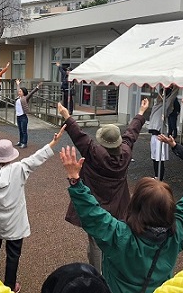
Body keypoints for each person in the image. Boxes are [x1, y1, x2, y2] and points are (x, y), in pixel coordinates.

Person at [59, 140, 183, 293]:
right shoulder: (177, 232)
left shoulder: (119, 236)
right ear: (170, 209)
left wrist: (75, 179)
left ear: (135, 205)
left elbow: (92, 214)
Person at [58, 98, 149, 273]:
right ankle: (113, 265)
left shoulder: (94, 153)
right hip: (118, 204)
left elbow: (79, 135)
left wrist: (65, 115)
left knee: (96, 241)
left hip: (95, 203)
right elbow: (131, 134)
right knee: (114, 235)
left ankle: (98, 275)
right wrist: (141, 112)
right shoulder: (126, 152)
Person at [0, 125, 66, 292]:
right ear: (11, 156)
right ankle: (9, 286)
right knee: (13, 254)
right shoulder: (19, 169)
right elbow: (37, 158)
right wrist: (53, 143)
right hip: (14, 222)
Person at [147, 85, 179, 180]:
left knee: (159, 159)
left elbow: (171, 98)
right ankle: (156, 176)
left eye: (160, 94)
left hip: (160, 136)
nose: (158, 96)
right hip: (153, 135)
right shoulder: (157, 105)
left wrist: (176, 88)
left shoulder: (166, 107)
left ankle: (159, 178)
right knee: (154, 157)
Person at [14, 79, 43, 149]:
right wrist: (18, 84)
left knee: (24, 131)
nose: (19, 92)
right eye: (19, 91)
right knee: (20, 130)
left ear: (23, 92)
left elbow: (31, 93)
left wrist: (37, 87)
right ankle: (20, 142)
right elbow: (18, 89)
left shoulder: (25, 98)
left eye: (20, 91)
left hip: (23, 116)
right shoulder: (18, 98)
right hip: (18, 116)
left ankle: (24, 143)